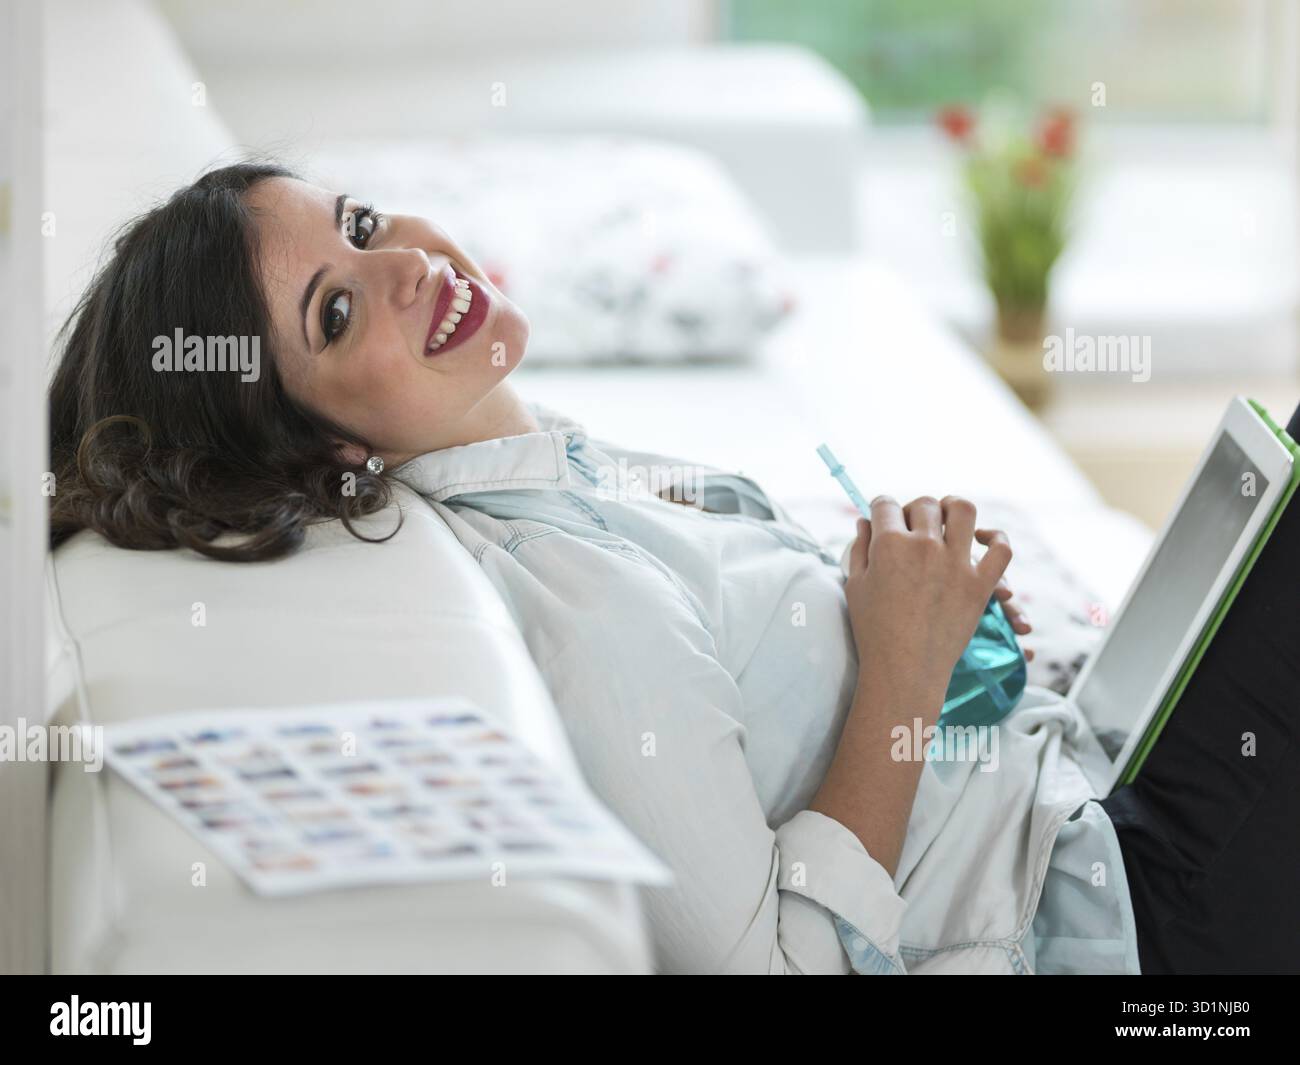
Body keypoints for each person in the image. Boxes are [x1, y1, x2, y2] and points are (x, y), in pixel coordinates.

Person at [48, 163, 1291, 973]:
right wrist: (903, 673)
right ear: (314, 443)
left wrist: (926, 621)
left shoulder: (566, 472)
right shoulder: (581, 609)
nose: (407, 266)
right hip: (1126, 907)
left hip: (1076, 780)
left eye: (361, 224)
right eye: (334, 309)